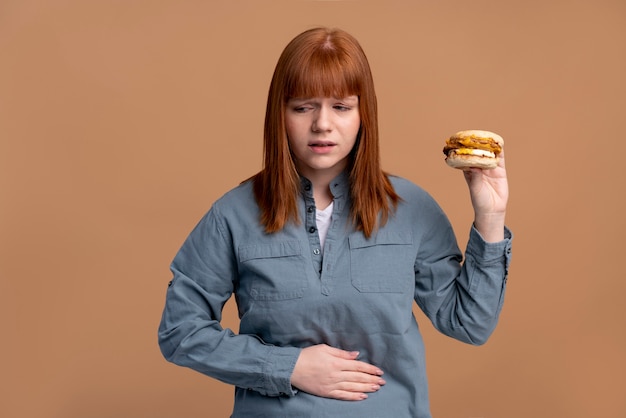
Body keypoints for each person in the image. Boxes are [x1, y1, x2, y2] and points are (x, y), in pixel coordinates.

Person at [158, 27, 512, 418]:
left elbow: (469, 324)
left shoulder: (413, 209)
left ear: (364, 114)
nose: (322, 124)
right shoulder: (233, 214)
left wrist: (490, 218)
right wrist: (288, 367)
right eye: (303, 106)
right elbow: (180, 332)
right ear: (280, 113)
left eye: (341, 107)